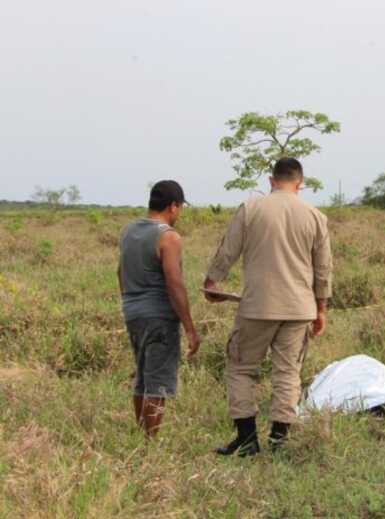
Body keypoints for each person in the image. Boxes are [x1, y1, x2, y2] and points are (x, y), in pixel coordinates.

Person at [205, 157, 332, 456]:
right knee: (288, 371)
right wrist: (321, 308)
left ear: (271, 180)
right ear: (300, 184)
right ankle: (279, 440)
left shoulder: (251, 208)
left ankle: (247, 440)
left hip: (257, 306)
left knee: (240, 367)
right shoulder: (315, 215)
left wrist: (212, 281)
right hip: (299, 308)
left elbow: (228, 249)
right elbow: (323, 267)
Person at [118, 180, 200, 437]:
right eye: (180, 208)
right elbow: (174, 283)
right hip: (159, 317)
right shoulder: (168, 236)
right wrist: (190, 328)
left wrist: (131, 303)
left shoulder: (128, 231)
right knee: (157, 382)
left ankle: (142, 435)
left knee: (142, 378)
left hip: (133, 313)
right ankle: (149, 443)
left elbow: (120, 272)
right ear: (173, 206)